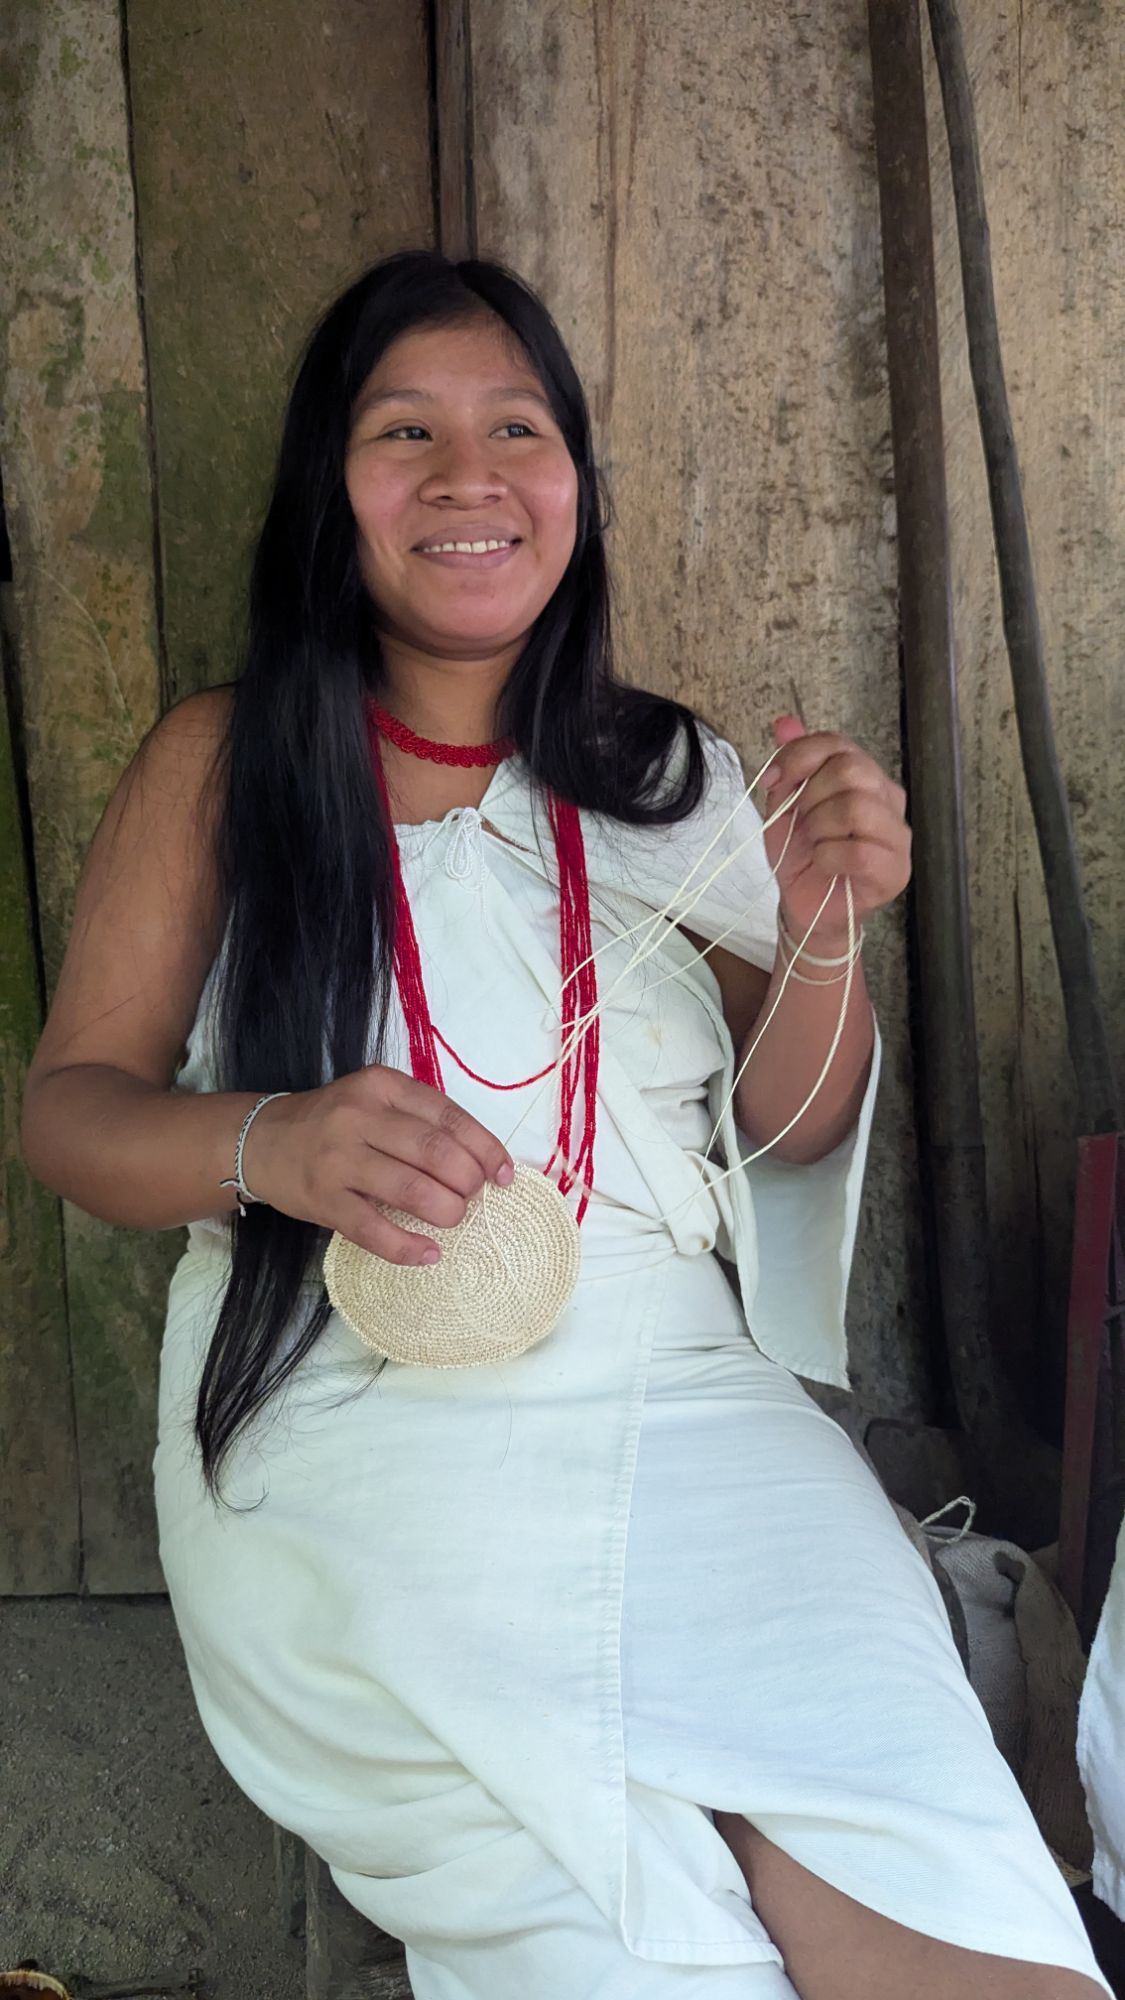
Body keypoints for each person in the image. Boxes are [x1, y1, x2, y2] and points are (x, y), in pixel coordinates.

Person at [20, 251, 1110, 2000]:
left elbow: (790, 1127)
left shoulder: (669, 775)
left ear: (573, 489)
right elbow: (72, 1116)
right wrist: (270, 1142)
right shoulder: (226, 767)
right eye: (406, 432)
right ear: (333, 487)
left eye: (515, 428)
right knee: (626, 1940)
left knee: (904, 1850)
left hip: (686, 1400)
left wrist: (823, 922)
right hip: (353, 1408)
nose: (468, 475)